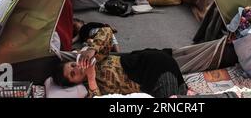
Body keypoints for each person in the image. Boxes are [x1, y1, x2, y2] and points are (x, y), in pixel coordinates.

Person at [52, 27, 187, 98]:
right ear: (73, 83)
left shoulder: (95, 59)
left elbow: (107, 31)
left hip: (150, 66)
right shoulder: (88, 90)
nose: (77, 69)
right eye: (72, 74)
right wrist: (91, 78)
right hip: (151, 84)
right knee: (178, 93)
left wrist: (92, 50)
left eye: (72, 65)